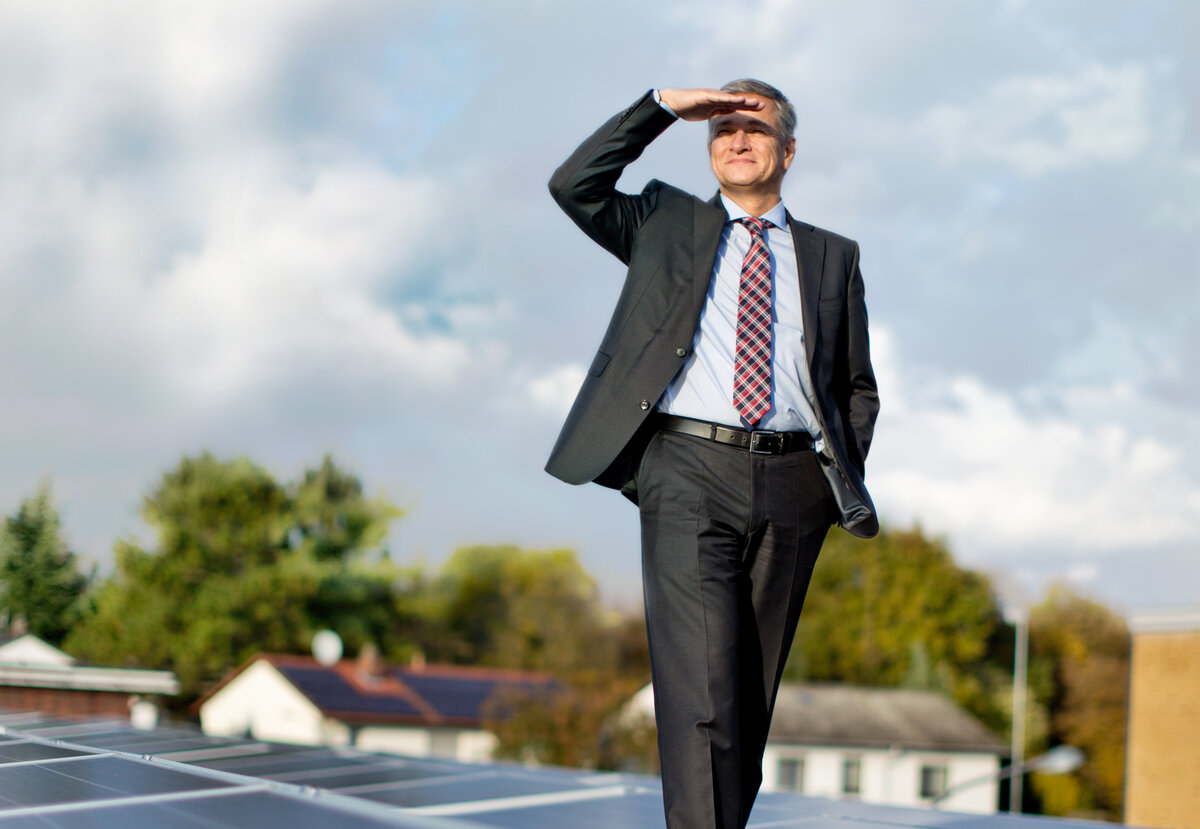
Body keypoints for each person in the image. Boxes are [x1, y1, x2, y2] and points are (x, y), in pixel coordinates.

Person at [546, 80, 879, 829]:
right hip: (688, 468)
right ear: (708, 145)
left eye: (754, 130)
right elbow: (575, 184)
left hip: (797, 482)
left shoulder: (833, 256)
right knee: (702, 689)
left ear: (787, 150)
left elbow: (856, 384)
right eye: (722, 128)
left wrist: (832, 485)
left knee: (747, 698)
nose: (736, 139)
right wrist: (660, 107)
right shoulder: (665, 222)